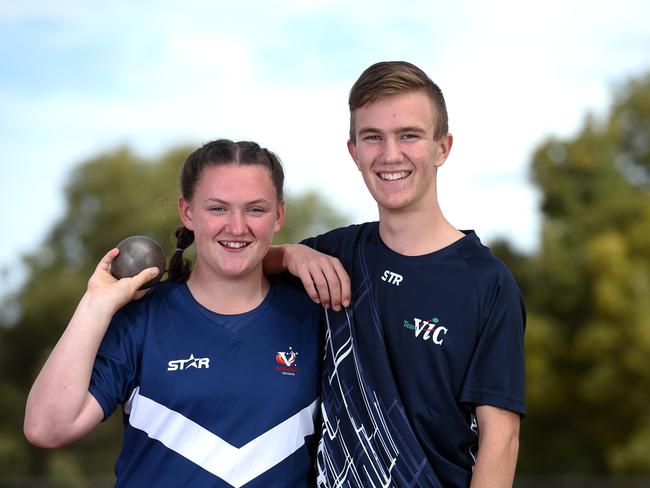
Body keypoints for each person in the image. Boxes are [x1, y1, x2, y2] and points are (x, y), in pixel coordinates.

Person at [266, 61, 526, 487]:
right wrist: (289, 255)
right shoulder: (335, 254)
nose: (390, 155)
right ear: (354, 152)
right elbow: (228, 270)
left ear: (443, 147)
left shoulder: (487, 283)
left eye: (409, 135)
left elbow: (502, 439)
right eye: (373, 137)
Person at [24, 139, 322, 487]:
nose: (237, 227)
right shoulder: (142, 319)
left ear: (279, 216)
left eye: (255, 209)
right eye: (218, 209)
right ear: (188, 212)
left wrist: (292, 254)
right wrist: (96, 305)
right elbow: (47, 428)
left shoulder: (312, 318)